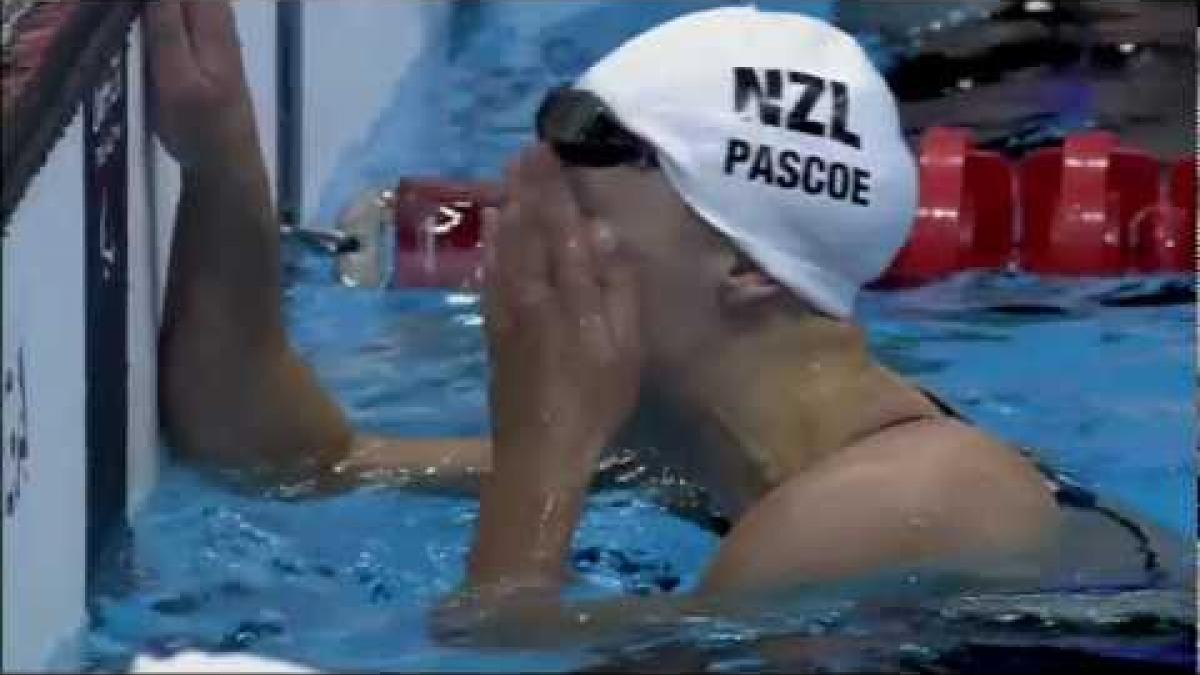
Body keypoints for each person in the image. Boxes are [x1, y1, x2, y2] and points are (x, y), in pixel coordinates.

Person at [148, 0, 1186, 643]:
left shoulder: (902, 498)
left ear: (741, 263)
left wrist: (544, 447)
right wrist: (221, 157)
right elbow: (287, 461)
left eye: (576, 210)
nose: (520, 235)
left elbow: (509, 650)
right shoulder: (698, 456)